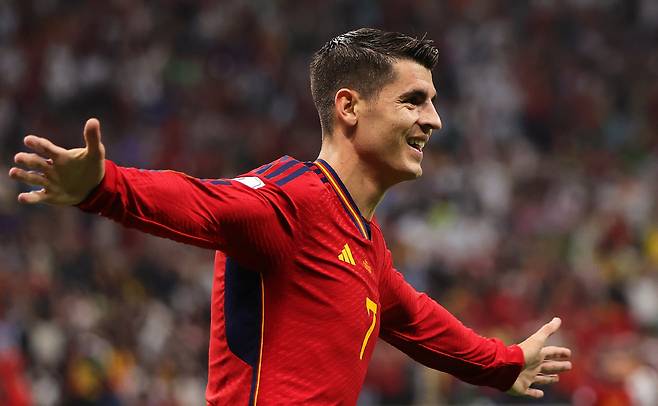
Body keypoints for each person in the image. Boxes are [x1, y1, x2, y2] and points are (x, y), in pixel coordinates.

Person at [9, 28, 571, 404]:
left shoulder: (366, 245)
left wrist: (506, 362)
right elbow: (204, 202)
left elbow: (424, 323)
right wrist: (102, 186)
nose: (435, 120)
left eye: (432, 102)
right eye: (414, 101)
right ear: (349, 106)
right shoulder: (295, 200)